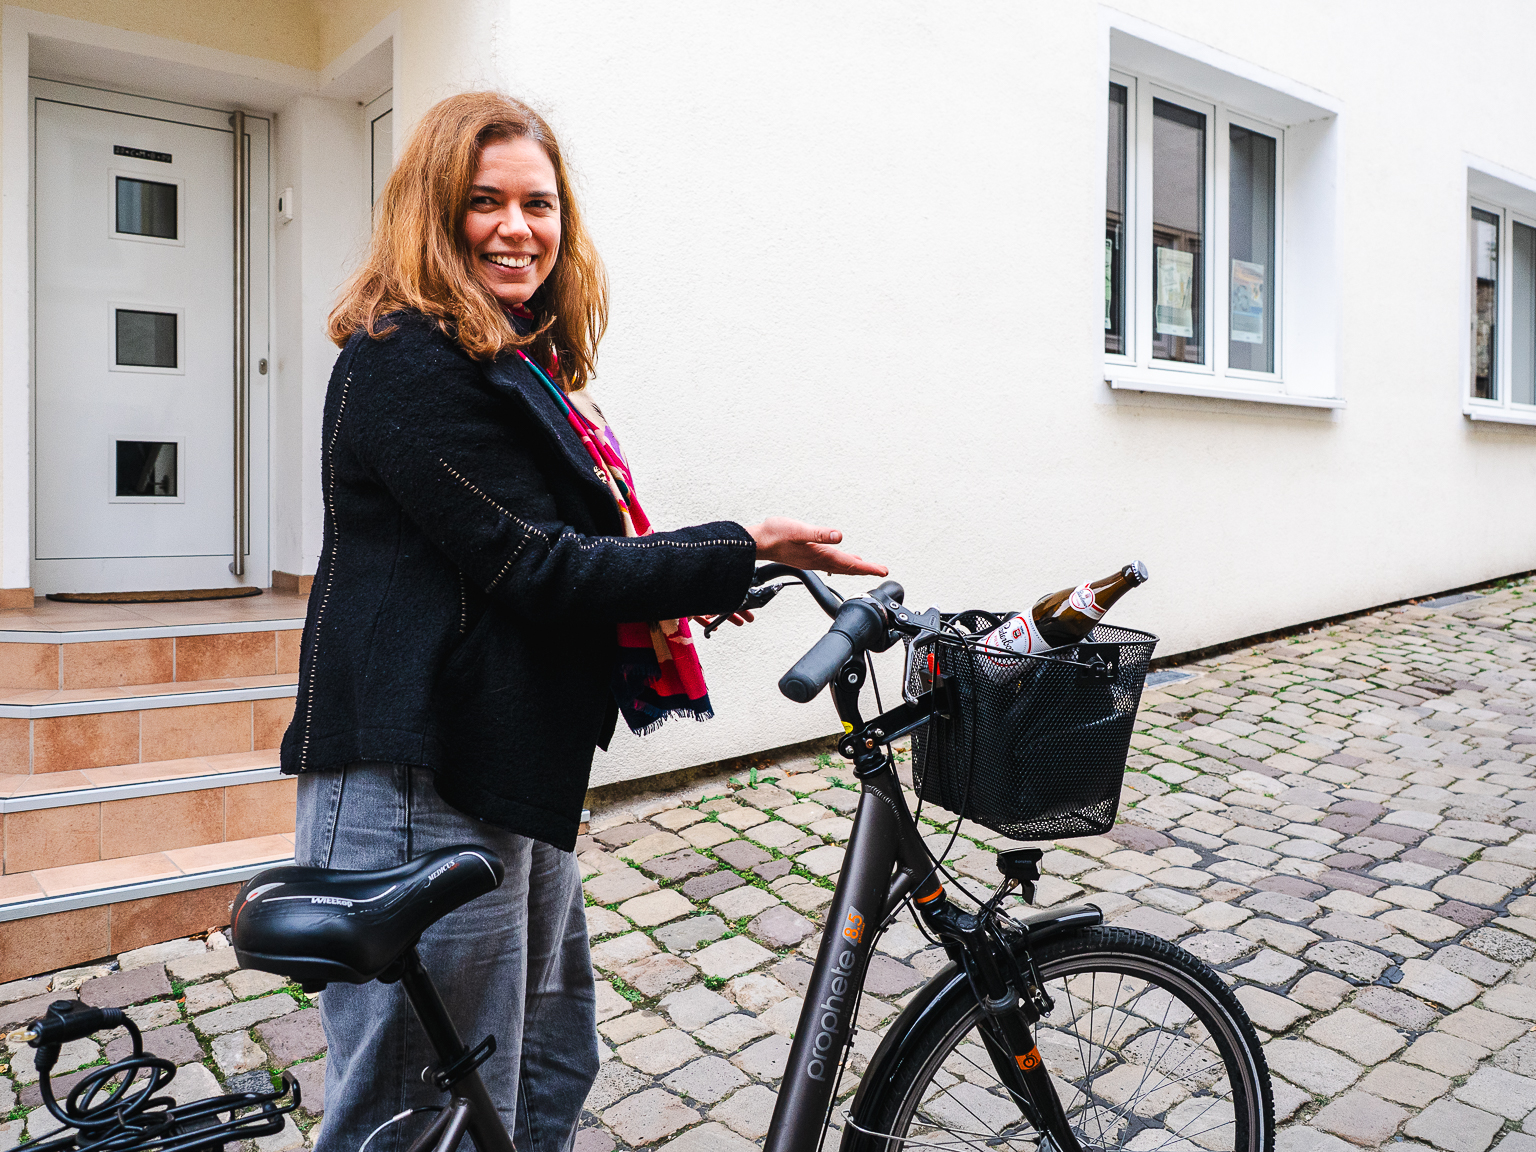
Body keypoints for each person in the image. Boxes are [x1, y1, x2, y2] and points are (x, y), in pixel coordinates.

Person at [278, 91, 886, 1152]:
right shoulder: (403, 360)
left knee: (548, 1065)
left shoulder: (518, 366)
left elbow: (569, 553)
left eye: (540, 204)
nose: (519, 228)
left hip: (502, 765)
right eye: (485, 202)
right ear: (433, 211)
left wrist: (726, 571)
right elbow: (537, 566)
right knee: (423, 1114)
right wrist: (740, 544)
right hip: (415, 777)